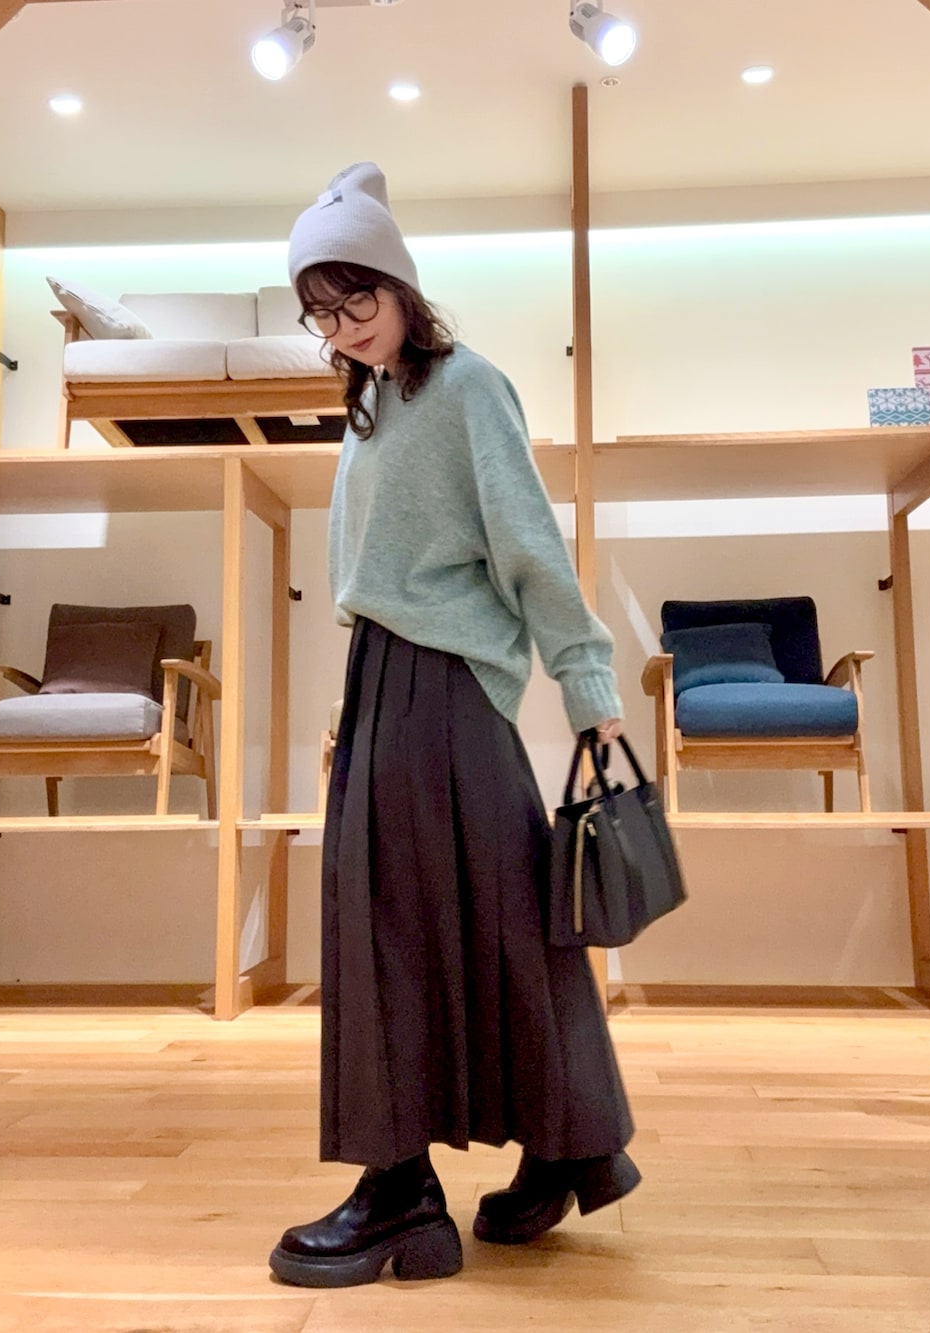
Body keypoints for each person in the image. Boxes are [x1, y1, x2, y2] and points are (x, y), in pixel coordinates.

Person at [269, 162, 638, 1290]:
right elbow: (378, 570)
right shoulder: (375, 404)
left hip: (443, 685)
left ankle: (401, 1190)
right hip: (391, 678)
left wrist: (586, 681)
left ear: (400, 285)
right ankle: (569, 1144)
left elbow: (528, 544)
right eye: (321, 312)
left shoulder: (467, 388)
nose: (344, 326)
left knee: (392, 919)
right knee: (498, 916)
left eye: (357, 299)